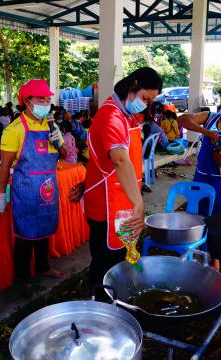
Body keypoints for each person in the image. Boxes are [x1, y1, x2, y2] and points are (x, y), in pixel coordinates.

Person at [69, 67, 163, 298]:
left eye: (150, 101)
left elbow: (101, 161)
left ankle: (113, 301)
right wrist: (139, 204)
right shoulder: (111, 116)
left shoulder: (126, 116)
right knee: (105, 262)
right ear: (132, 86)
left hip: (120, 201)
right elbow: (120, 160)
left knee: (117, 259)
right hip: (106, 206)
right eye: (145, 98)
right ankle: (100, 307)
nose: (146, 104)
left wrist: (86, 182)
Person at [0, 79, 66, 281]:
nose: (45, 103)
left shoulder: (52, 125)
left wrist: (58, 142)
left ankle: (43, 267)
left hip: (48, 187)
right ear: (27, 101)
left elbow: (66, 153)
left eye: (47, 99)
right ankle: (23, 278)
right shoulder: (14, 129)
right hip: (25, 190)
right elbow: (6, 166)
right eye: (40, 99)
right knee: (25, 236)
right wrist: (1, 195)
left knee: (45, 230)